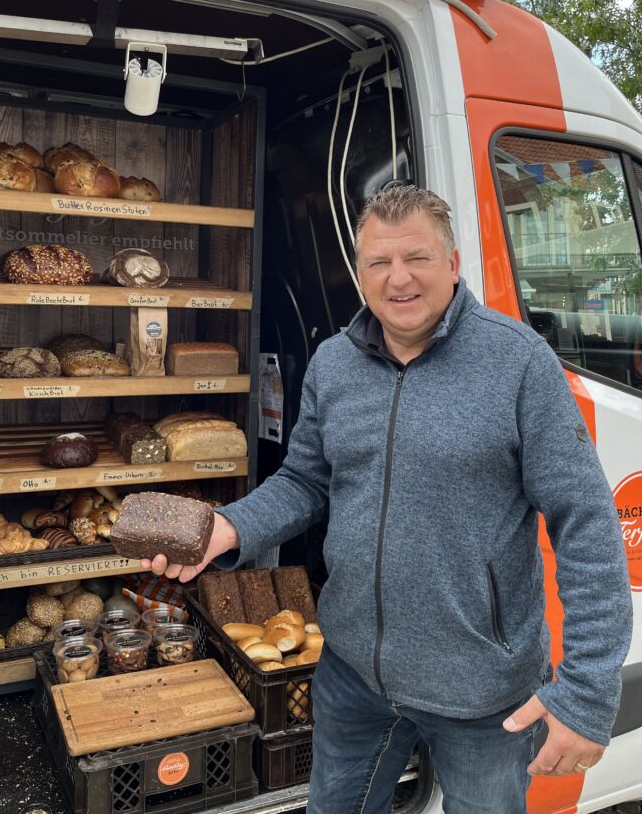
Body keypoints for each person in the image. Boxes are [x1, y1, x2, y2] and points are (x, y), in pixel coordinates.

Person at [142, 185, 633, 814]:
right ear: (360, 272)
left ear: (452, 264)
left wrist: (587, 695)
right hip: (351, 677)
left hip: (482, 694)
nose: (398, 279)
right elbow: (304, 481)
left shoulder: (518, 363)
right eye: (379, 263)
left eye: (417, 259)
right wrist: (228, 528)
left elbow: (586, 524)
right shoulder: (333, 364)